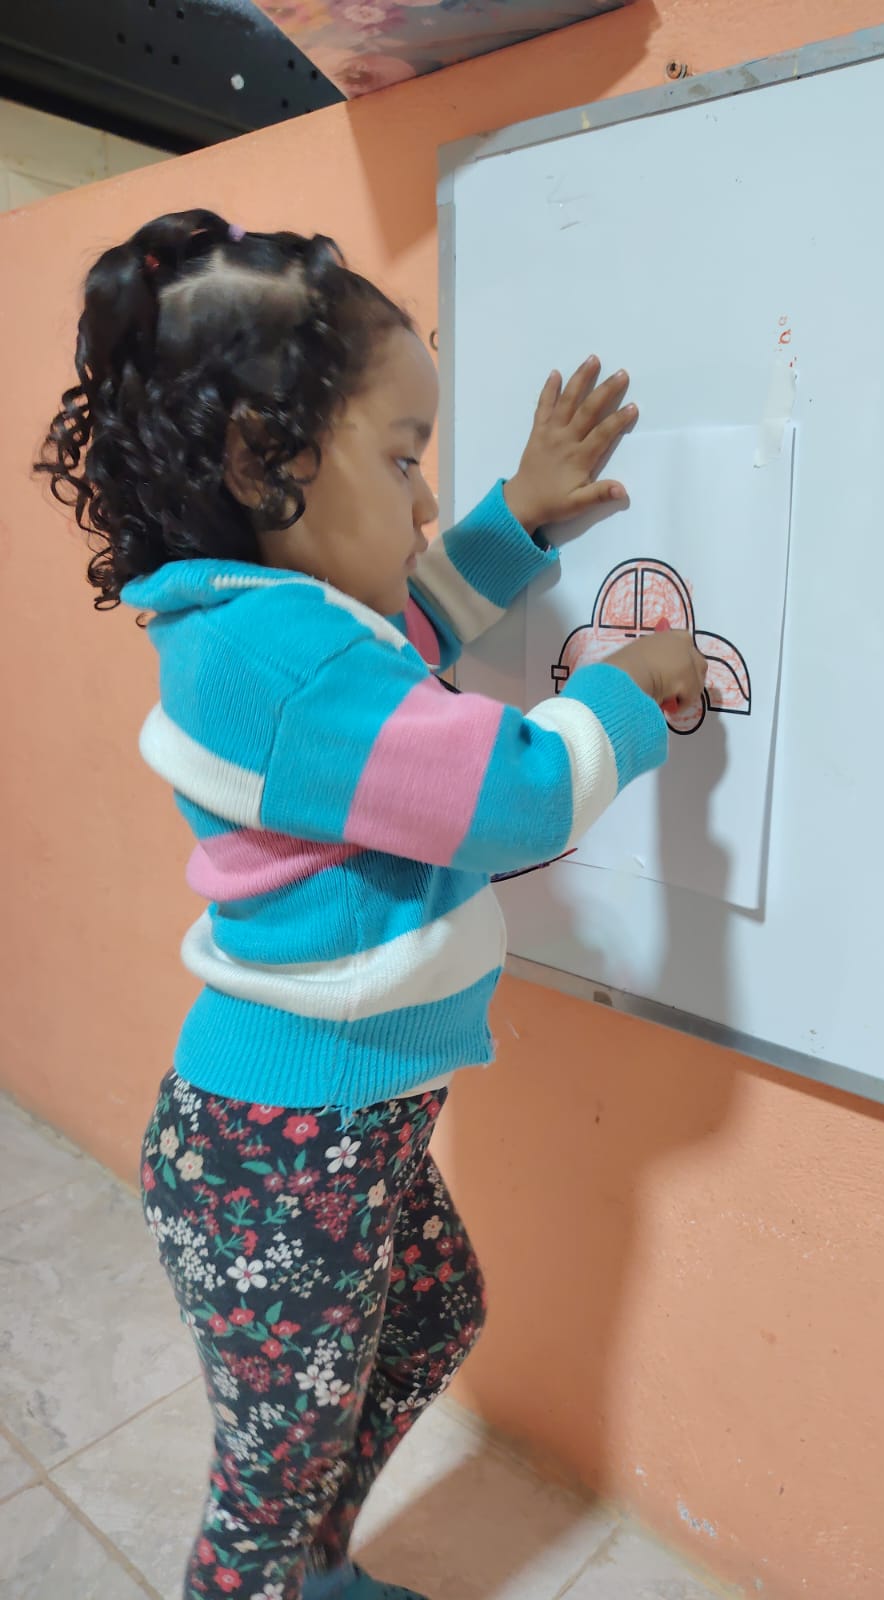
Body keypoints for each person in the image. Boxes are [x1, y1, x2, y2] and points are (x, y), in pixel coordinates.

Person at [37, 209, 707, 1600]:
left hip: (321, 1134)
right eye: (403, 460)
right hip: (284, 1159)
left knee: (427, 1322)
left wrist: (519, 519)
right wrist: (621, 697)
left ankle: (312, 1569)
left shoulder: (269, 619)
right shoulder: (280, 660)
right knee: (266, 1485)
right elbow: (511, 794)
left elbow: (407, 628)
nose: (422, 505)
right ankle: (284, 1573)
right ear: (259, 462)